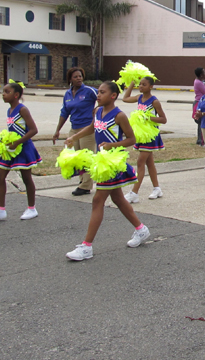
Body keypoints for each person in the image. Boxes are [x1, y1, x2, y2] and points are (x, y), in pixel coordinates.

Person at [64, 81, 150, 260]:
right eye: (98, 92)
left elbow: (131, 139)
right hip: (101, 162)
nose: (98, 95)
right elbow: (92, 127)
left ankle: (87, 247)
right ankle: (141, 229)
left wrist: (113, 145)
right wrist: (74, 137)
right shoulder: (97, 111)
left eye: (102, 92)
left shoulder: (119, 115)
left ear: (113, 96)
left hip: (112, 164)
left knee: (98, 200)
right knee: (117, 198)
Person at [0, 81, 41, 222]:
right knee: (0, 176)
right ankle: (0, 210)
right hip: (10, 149)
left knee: (26, 178)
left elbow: (34, 130)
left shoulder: (22, 109)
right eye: (3, 92)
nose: (3, 94)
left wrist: (17, 142)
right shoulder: (9, 110)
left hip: (23, 148)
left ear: (16, 95)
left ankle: (32, 208)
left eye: (7, 92)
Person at [53, 67, 98, 196]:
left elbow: (104, 97)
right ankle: (82, 181)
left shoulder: (89, 91)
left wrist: (98, 109)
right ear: (70, 79)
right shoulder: (68, 94)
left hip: (87, 129)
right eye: (75, 77)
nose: (79, 78)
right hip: (74, 128)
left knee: (87, 157)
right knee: (76, 157)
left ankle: (86, 186)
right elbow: (64, 112)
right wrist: (57, 130)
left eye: (80, 76)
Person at [121, 76, 167, 202]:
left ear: (151, 87)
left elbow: (163, 119)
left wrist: (148, 118)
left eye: (144, 84)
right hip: (141, 135)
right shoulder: (139, 98)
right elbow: (125, 98)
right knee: (149, 162)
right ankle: (157, 188)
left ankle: (134, 193)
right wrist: (132, 83)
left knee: (140, 162)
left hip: (150, 135)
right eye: (140, 84)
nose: (140, 86)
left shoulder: (154, 101)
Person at [193, 67, 205, 145]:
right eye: (203, 72)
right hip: (199, 103)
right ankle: (201, 140)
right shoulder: (198, 83)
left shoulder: (198, 81)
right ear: (201, 74)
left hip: (200, 102)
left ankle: (200, 139)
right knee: (201, 122)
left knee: (201, 122)